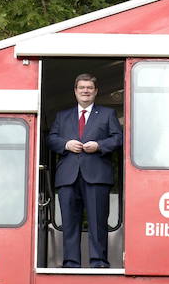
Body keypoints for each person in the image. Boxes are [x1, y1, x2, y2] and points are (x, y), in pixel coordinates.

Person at [47, 73, 122, 268]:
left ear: (96, 91)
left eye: (89, 88)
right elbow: (51, 139)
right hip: (68, 177)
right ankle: (71, 263)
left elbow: (118, 139)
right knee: (70, 223)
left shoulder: (107, 114)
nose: (85, 91)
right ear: (75, 91)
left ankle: (98, 262)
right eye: (82, 88)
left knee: (98, 223)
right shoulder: (63, 116)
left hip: (96, 176)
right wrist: (66, 144)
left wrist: (98, 145)